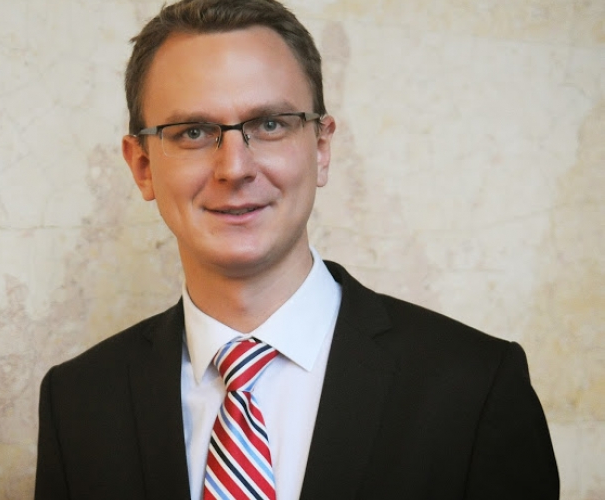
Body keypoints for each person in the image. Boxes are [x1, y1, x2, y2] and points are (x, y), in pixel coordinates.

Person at [34, 0, 559, 498]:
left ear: (322, 148)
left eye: (269, 125)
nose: (234, 168)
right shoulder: (77, 402)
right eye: (193, 131)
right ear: (143, 166)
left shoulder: (476, 386)